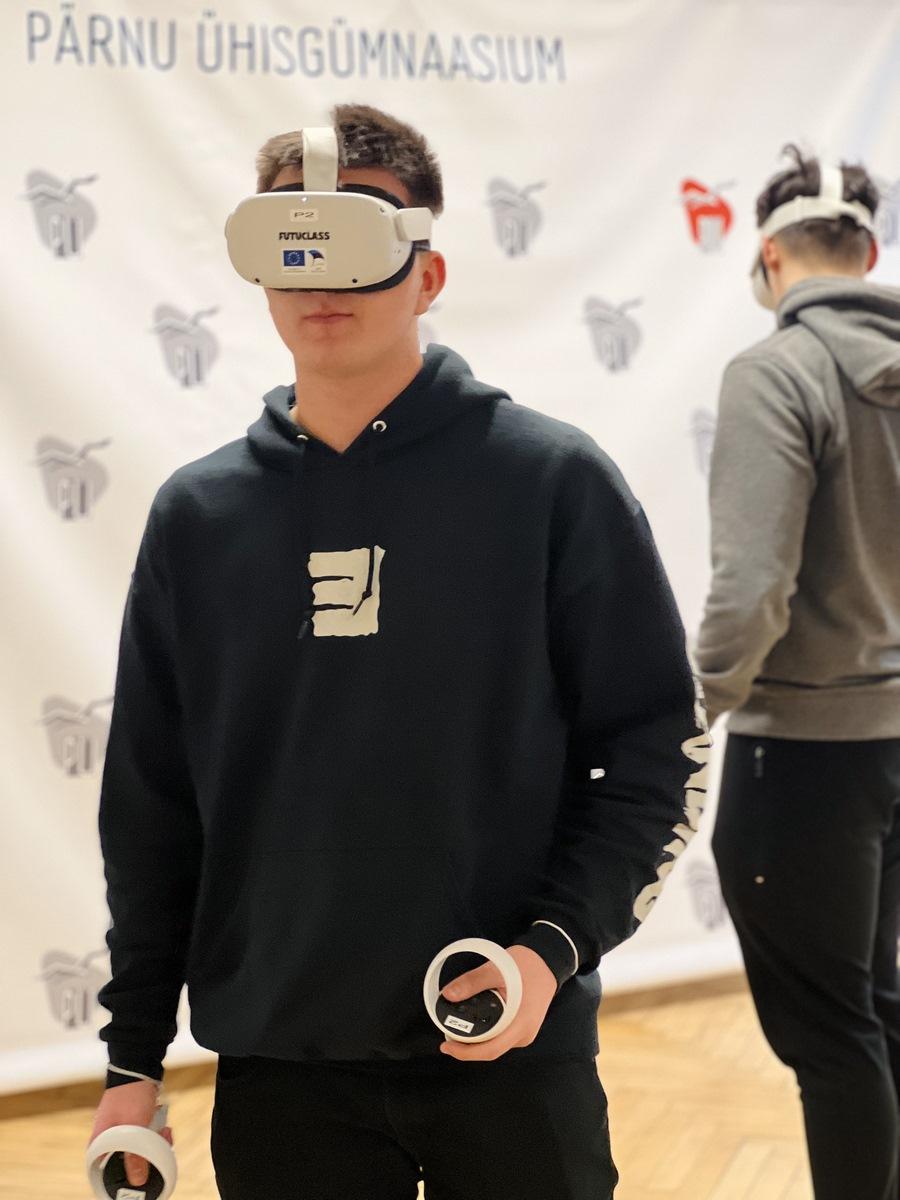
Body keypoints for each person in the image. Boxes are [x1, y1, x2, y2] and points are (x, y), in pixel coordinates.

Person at [89, 103, 707, 1200]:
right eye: (295, 244)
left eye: (359, 242)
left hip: (507, 1045)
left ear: (429, 274)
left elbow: (655, 755)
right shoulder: (198, 518)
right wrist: (132, 1060)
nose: (323, 280)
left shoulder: (551, 485)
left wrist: (548, 954)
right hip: (280, 1065)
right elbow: (151, 806)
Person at [695, 146, 900, 1199]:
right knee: (875, 1009)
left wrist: (690, 706)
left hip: (805, 758)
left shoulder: (776, 372)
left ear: (769, 258)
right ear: (869, 253)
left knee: (830, 1033)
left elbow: (752, 589)